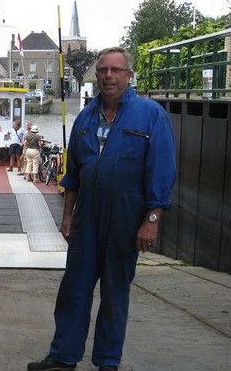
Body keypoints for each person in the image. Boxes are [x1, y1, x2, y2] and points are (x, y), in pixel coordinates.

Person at [27, 47, 176, 371]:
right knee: (73, 289)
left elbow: (162, 171)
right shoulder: (84, 116)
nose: (109, 75)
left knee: (114, 292)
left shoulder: (151, 115)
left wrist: (151, 220)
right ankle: (63, 356)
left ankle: (108, 361)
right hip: (87, 217)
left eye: (116, 70)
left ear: (128, 75)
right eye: (103, 70)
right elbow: (75, 173)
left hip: (126, 216)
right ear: (97, 76)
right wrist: (67, 216)